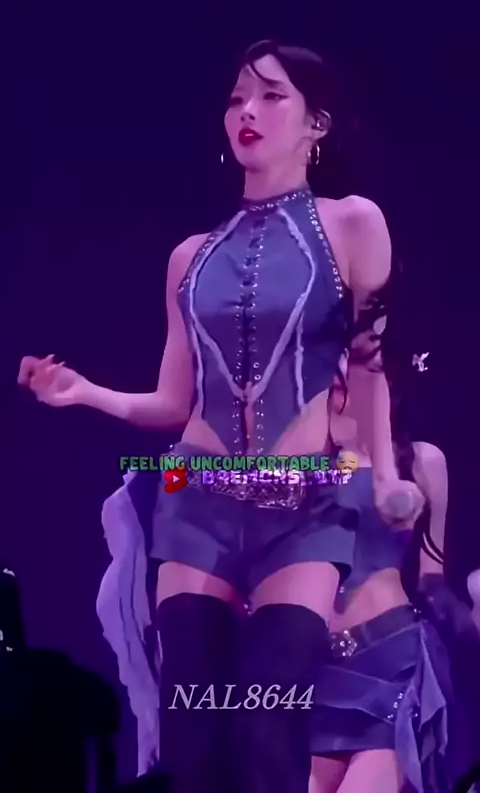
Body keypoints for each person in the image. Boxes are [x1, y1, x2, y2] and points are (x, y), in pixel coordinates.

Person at [17, 39, 424, 793]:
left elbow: (369, 363)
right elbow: (174, 403)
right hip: (197, 499)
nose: (247, 112)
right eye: (237, 98)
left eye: (271, 96)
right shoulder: (190, 256)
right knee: (195, 731)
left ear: (316, 123)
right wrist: (86, 392)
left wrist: (386, 476)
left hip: (305, 503)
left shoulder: (352, 224)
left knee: (266, 718)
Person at [309, 359, 478, 793]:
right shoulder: (296, 462)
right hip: (316, 672)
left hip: (391, 663)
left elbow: (431, 578)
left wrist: (468, 624)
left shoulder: (422, 461)